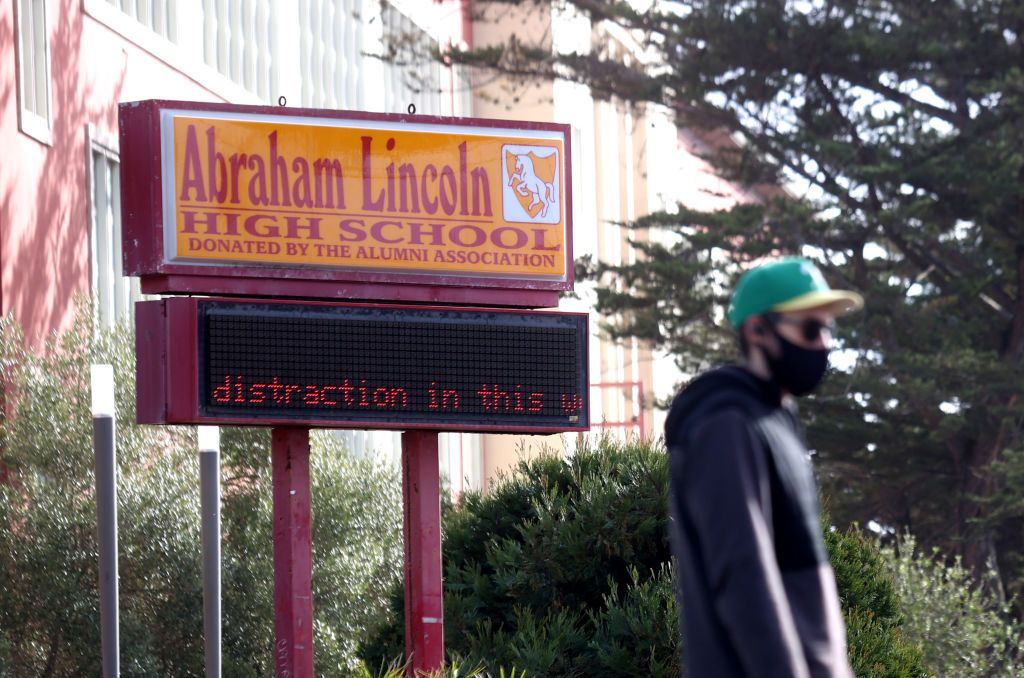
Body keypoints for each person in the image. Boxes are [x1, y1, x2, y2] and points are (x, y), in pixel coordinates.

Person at [664, 256, 863, 677]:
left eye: (829, 329)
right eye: (810, 328)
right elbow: (745, 577)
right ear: (757, 330)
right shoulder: (726, 425)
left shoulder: (772, 419)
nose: (824, 344)